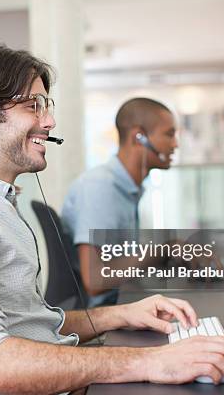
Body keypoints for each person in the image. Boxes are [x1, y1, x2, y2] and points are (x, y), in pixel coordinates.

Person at [0, 45, 224, 394]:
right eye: (34, 106)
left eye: (46, 107)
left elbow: (31, 323)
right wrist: (148, 362)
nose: (49, 121)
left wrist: (123, 315)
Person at [61, 98, 177, 305]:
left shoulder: (127, 187)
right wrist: (162, 251)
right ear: (138, 137)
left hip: (121, 299)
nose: (175, 144)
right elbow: (95, 281)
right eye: (169, 134)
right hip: (105, 311)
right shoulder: (100, 187)